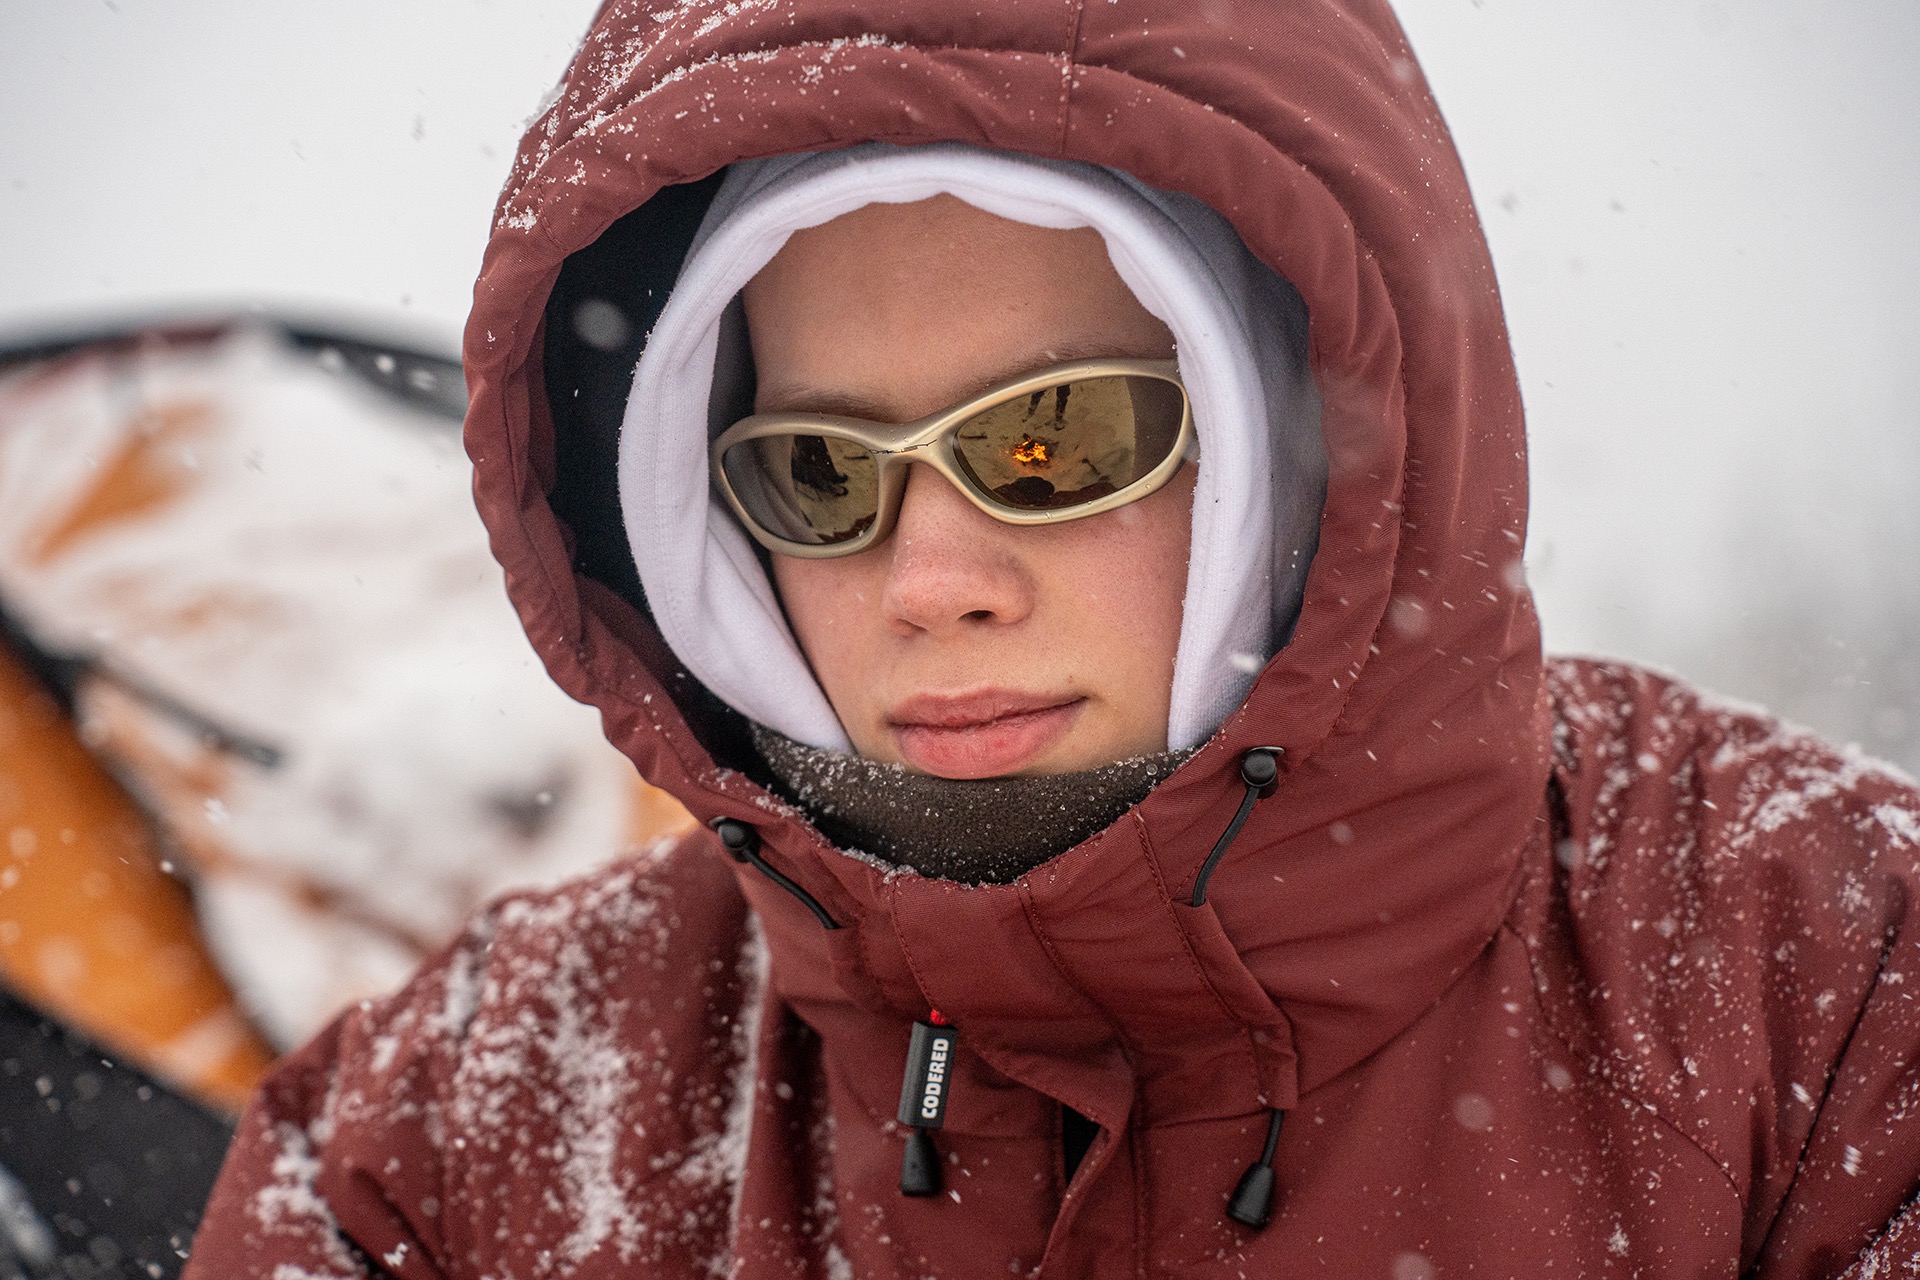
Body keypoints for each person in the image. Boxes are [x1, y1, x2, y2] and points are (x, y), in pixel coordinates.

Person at [188, 0, 1920, 1276]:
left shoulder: (1828, 993)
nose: (931, 578)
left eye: (1055, 438)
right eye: (816, 472)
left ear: (1299, 446)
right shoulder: (455, 1134)